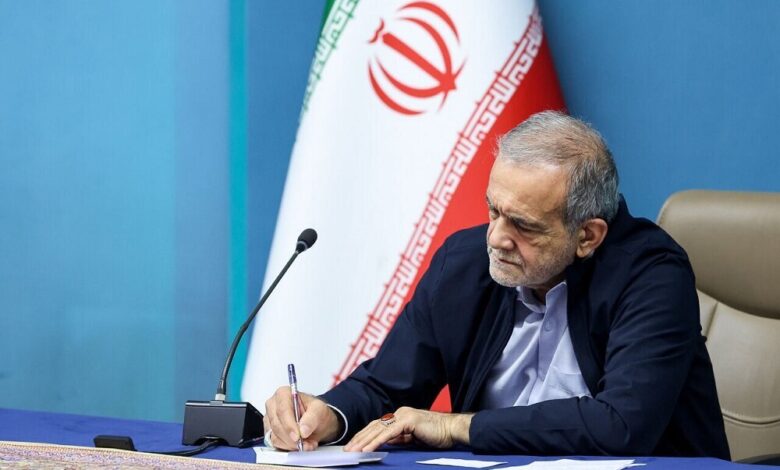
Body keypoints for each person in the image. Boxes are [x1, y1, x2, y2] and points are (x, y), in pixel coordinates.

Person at [263, 111, 730, 458]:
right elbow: (389, 386)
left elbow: (620, 426)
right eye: (493, 210)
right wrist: (328, 415)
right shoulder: (464, 263)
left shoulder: (652, 274)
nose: (496, 238)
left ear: (587, 236)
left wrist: (456, 427)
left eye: (523, 225)